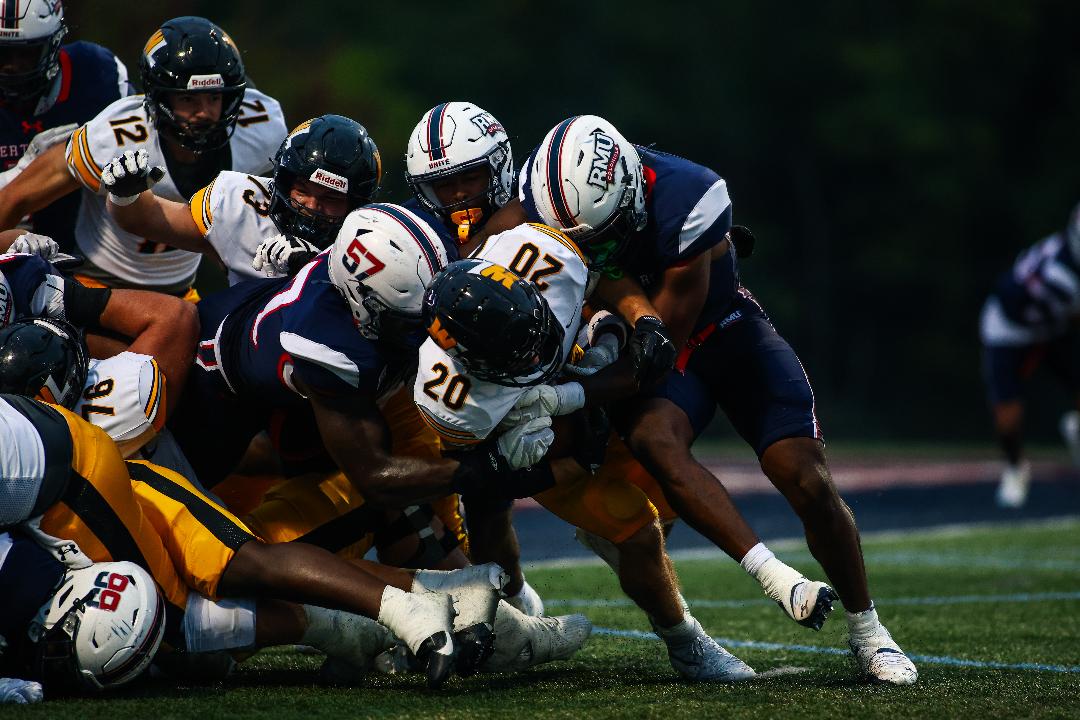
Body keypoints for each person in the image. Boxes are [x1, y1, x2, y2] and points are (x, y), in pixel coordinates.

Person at [477, 115, 917, 685]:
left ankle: (869, 630)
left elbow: (652, 362)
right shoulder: (539, 198)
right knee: (654, 441)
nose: (594, 254)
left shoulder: (692, 199)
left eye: (604, 236)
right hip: (626, 336)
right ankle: (769, 574)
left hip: (718, 332)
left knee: (802, 474)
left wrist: (560, 395)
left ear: (632, 191)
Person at [414, 233, 759, 682]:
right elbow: (484, 480)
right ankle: (684, 640)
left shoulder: (540, 260)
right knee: (635, 531)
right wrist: (567, 464)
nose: (537, 352)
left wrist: (621, 326)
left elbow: (603, 274)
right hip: (545, 448)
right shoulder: (456, 403)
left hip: (584, 390)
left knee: (667, 486)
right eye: (521, 354)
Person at [0, 16, 287, 299]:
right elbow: (16, 197)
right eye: (188, 99)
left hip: (183, 292)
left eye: (215, 98)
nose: (205, 113)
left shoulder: (263, 126)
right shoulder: (114, 135)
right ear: (159, 97)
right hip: (95, 283)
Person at [101, 114, 381, 285]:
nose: (311, 206)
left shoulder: (378, 244)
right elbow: (147, 219)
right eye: (303, 190)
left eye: (331, 198)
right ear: (282, 181)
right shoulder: (241, 203)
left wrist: (314, 271)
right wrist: (126, 195)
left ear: (355, 205)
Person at [0, 0, 130, 250]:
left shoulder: (97, 74)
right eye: (3, 54)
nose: (12, 67)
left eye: (26, 54)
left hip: (91, 256)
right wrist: (22, 173)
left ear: (54, 44)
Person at [980, 202, 1080, 508]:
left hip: (1052, 328)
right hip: (1010, 329)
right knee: (1007, 417)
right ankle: (1015, 468)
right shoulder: (1061, 275)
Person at [404, 100, 513, 250]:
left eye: (470, 178)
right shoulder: (413, 226)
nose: (460, 194)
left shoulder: (533, 198)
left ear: (499, 165)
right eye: (444, 184)